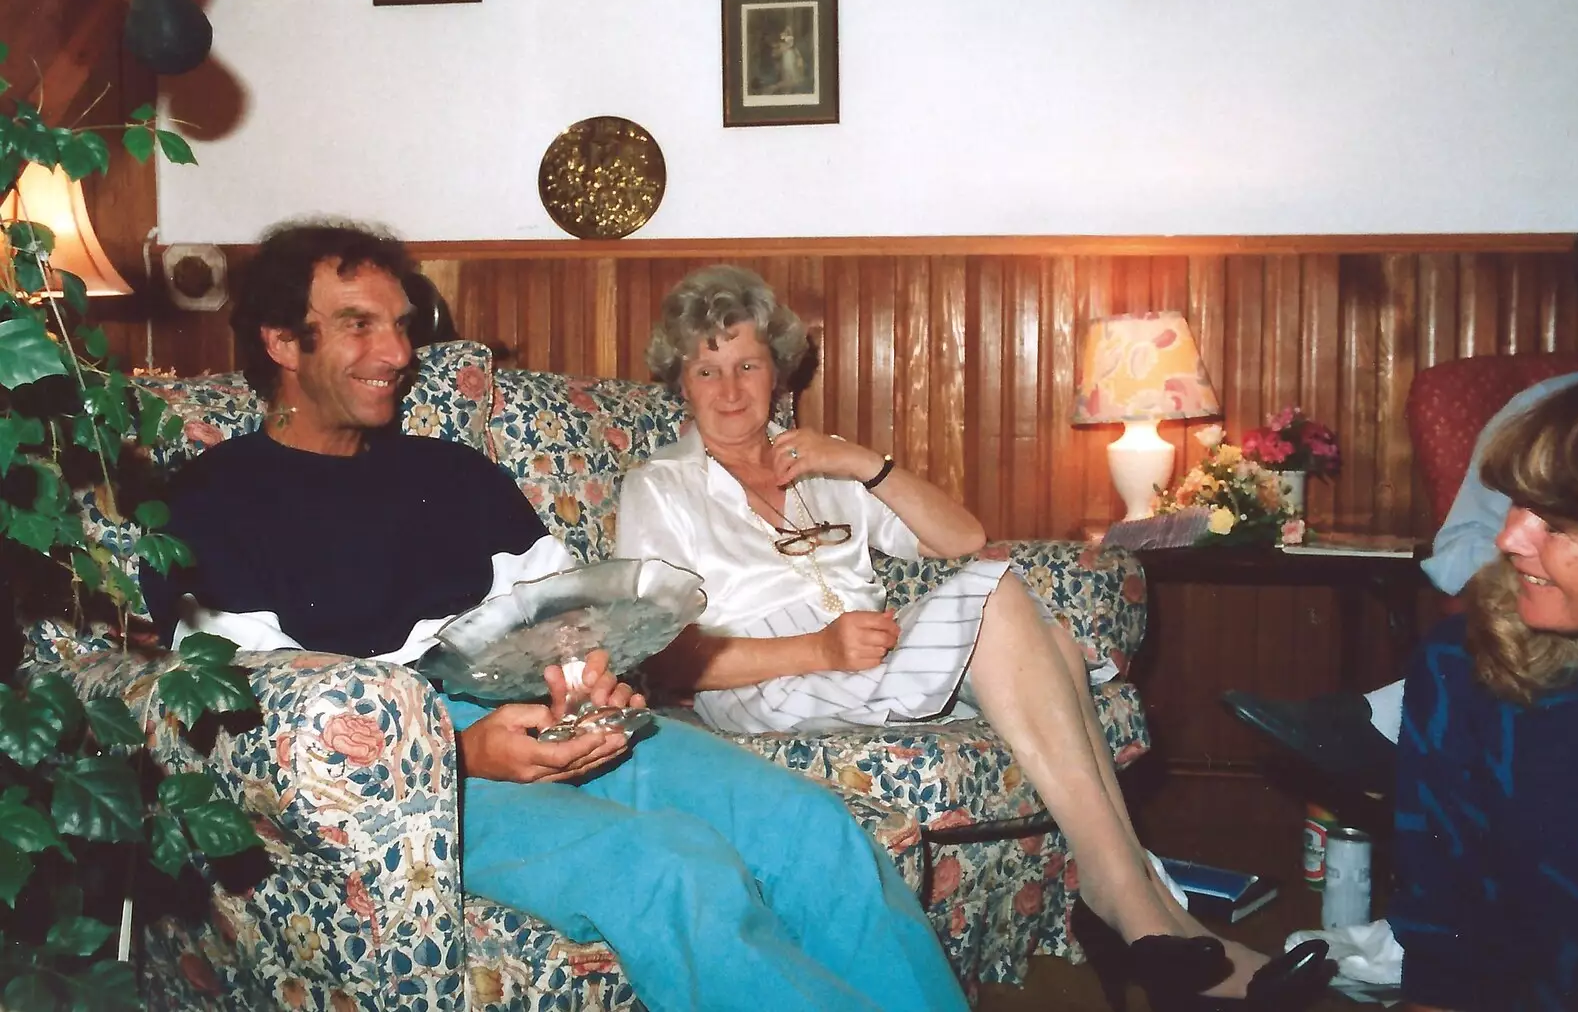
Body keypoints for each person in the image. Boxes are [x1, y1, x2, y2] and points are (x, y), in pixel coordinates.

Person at [139, 220, 971, 1012]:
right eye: (358, 326)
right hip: (409, 782)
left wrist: (587, 683)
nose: (395, 353)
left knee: (809, 824)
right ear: (283, 342)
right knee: (672, 868)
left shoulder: (456, 476)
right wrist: (458, 756)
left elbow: (572, 611)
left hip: (538, 716)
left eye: (399, 325)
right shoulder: (210, 503)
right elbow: (250, 714)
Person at [614, 265, 1333, 1009]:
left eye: (748, 366)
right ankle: (1128, 906)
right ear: (682, 382)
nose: (731, 392)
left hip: (861, 663)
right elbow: (662, 658)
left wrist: (864, 464)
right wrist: (816, 650)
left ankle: (1163, 923)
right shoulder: (661, 487)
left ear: (777, 371)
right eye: (708, 370)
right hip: (760, 677)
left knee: (1044, 637)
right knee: (999, 594)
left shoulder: (817, 465)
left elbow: (963, 537)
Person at [1222, 213, 1578, 792]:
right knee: (1462, 654)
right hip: (1558, 634)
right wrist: (1538, 584)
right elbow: (1463, 549)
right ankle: (1380, 723)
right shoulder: (1546, 417)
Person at [1389, 377, 1578, 1010]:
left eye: (1556, 523)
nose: (1508, 539)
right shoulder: (1469, 663)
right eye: (1514, 505)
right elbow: (1443, 915)